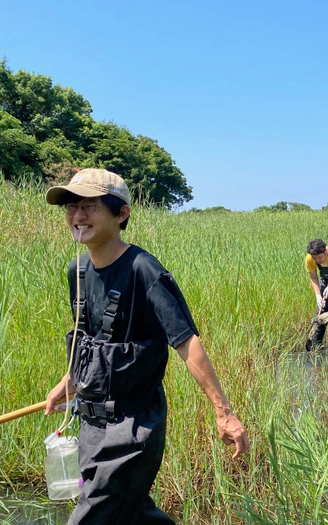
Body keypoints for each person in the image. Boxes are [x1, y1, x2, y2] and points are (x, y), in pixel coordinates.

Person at [43, 169, 249, 524]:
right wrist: (70, 380)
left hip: (133, 428)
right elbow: (88, 339)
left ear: (121, 213)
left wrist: (223, 411)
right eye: (71, 207)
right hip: (92, 428)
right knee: (134, 514)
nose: (77, 216)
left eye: (89, 206)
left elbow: (187, 342)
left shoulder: (144, 270)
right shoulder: (77, 270)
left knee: (94, 516)